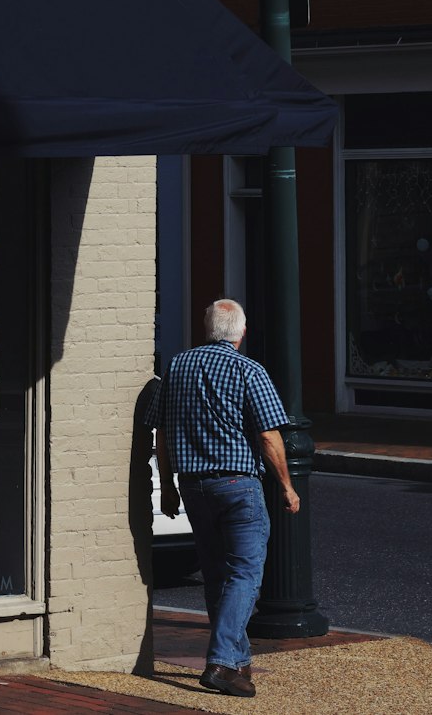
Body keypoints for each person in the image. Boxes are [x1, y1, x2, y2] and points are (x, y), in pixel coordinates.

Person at [145, 298, 300, 698]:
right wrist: (286, 485)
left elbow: (160, 432)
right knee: (245, 574)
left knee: (217, 576)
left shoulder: (177, 366)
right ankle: (220, 662)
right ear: (241, 332)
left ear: (206, 327)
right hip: (238, 486)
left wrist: (167, 484)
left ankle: (238, 659)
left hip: (194, 486)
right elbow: (269, 435)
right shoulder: (248, 369)